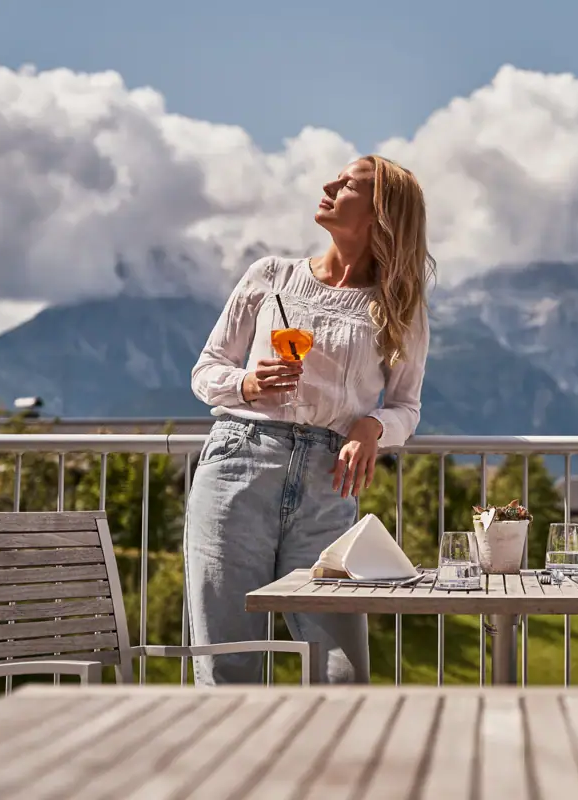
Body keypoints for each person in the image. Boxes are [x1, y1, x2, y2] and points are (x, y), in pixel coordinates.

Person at [185, 155, 434, 685]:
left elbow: (406, 407)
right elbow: (206, 370)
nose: (328, 185)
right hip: (238, 464)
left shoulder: (400, 307)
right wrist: (246, 385)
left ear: (379, 214)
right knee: (227, 660)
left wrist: (373, 427)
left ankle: (334, 769)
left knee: (340, 671)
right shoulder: (271, 278)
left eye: (348, 185)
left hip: (329, 481)